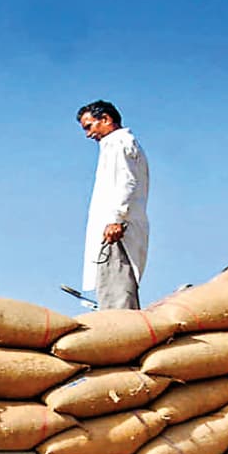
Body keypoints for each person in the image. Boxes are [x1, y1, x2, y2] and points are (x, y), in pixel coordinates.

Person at [78, 99, 150, 310]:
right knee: (111, 289)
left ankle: (121, 336)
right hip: (115, 227)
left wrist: (116, 220)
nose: (88, 134)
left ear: (106, 119)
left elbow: (127, 182)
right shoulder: (118, 144)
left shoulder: (118, 142)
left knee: (117, 293)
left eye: (89, 127)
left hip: (117, 230)